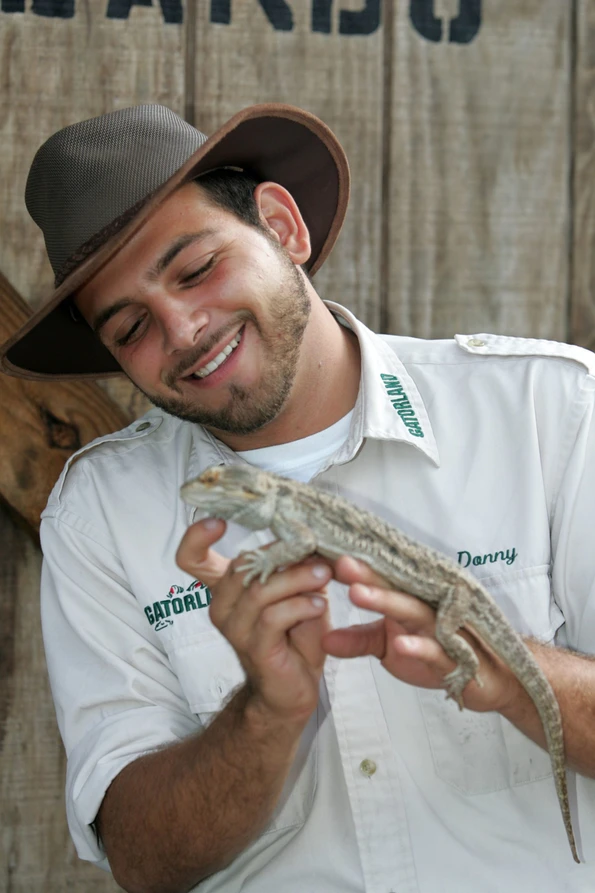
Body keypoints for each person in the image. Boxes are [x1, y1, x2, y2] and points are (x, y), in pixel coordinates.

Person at [2, 102, 595, 893]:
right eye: (130, 325)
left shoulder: (548, 408)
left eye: (195, 268)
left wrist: (518, 677)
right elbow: (142, 863)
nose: (181, 331)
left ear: (282, 226)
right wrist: (264, 712)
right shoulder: (99, 512)